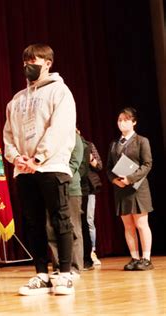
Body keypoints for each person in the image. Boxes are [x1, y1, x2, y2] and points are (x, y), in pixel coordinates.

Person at [3, 43, 76, 295]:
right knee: (34, 223)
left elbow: (60, 128)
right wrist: (17, 158)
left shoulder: (60, 91)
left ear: (47, 63)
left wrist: (39, 158)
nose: (27, 67)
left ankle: (65, 274)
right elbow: (8, 135)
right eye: (24, 62)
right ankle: (41, 274)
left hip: (51, 167)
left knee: (60, 219)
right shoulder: (16, 99)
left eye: (32, 61)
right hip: (24, 170)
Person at [107, 107, 154, 271]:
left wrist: (130, 178)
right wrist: (115, 180)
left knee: (141, 224)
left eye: (126, 120)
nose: (122, 123)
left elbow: (147, 164)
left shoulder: (142, 141)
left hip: (138, 188)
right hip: (121, 189)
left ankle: (146, 258)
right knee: (128, 225)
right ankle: (134, 257)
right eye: (119, 120)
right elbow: (108, 168)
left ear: (134, 122)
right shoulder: (114, 144)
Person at [47, 129, 84, 279]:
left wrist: (58, 177)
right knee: (51, 228)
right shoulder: (50, 138)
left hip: (70, 189)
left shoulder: (74, 137)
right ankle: (59, 266)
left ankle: (74, 267)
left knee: (73, 227)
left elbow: (75, 163)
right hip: (51, 189)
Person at [80, 138, 103, 269]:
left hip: (89, 187)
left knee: (89, 220)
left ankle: (92, 251)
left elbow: (99, 165)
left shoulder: (89, 145)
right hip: (77, 187)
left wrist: (91, 159)